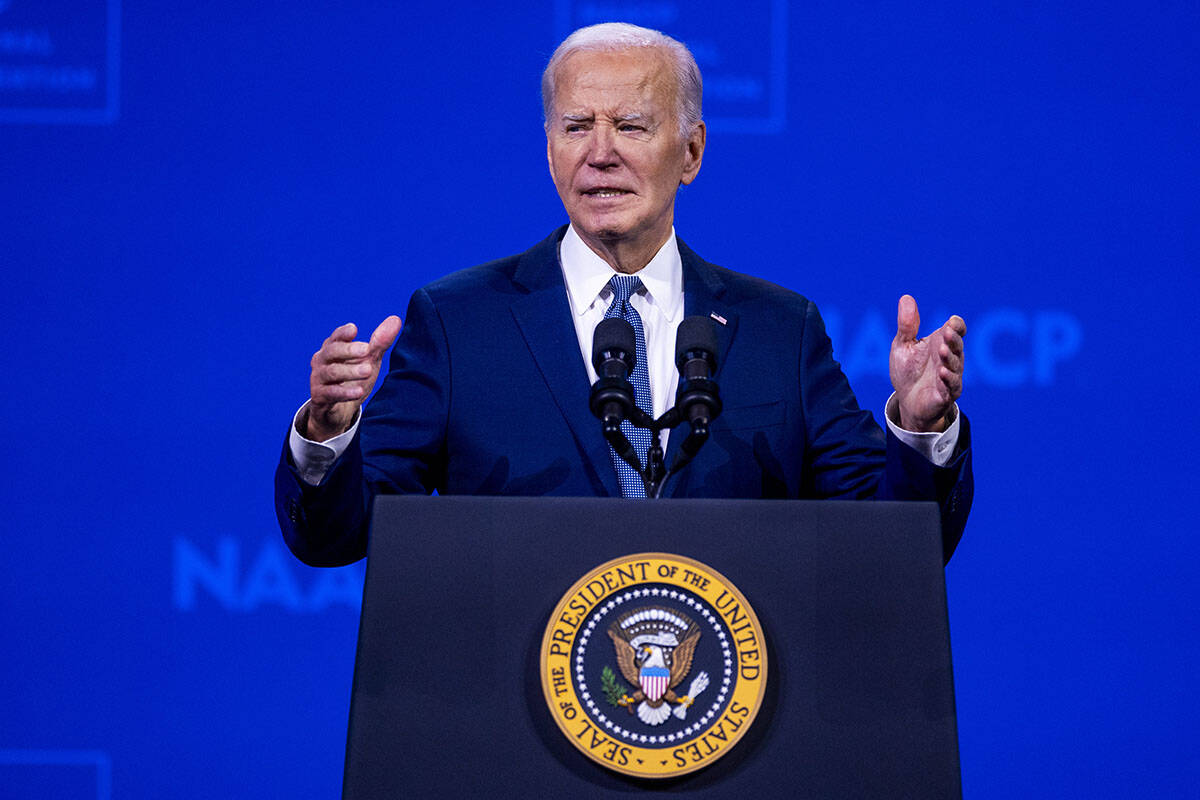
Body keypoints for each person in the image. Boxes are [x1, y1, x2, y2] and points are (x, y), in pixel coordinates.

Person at [275, 23, 972, 567]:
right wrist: (329, 434)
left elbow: (890, 544)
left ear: (692, 152)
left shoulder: (780, 329)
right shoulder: (458, 322)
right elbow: (340, 536)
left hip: (732, 723)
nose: (599, 152)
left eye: (631, 126)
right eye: (576, 127)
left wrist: (918, 431)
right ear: (549, 151)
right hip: (517, 722)